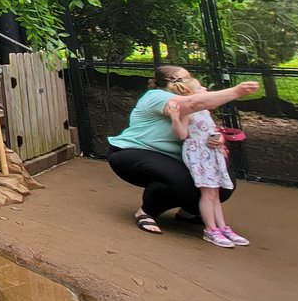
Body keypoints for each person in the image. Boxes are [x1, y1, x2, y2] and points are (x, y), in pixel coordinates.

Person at [106, 65, 260, 234]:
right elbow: (192, 104)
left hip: (176, 157)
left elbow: (204, 129)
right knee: (180, 182)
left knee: (223, 183)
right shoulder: (156, 96)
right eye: (186, 77)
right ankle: (147, 211)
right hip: (132, 152)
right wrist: (236, 91)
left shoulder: (194, 104)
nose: (192, 80)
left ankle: (189, 212)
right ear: (171, 82)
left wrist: (219, 139)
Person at [166, 74, 250, 247]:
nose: (205, 90)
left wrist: (219, 137)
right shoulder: (187, 111)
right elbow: (182, 134)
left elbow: (210, 131)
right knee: (208, 192)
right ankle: (210, 229)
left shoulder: (205, 110)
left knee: (215, 193)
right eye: (200, 88)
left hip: (212, 153)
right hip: (198, 154)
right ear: (191, 94)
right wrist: (175, 117)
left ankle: (222, 227)